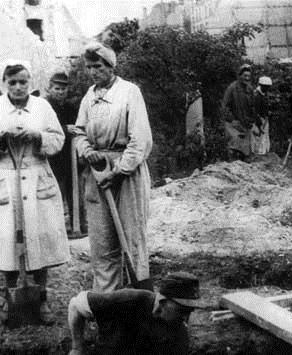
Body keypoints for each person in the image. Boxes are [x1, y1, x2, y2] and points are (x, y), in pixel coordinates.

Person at [74, 43, 153, 292]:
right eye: (89, 67)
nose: (93, 72)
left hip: (126, 173)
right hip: (97, 174)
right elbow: (79, 132)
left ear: (110, 66)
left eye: (98, 66)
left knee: (132, 239)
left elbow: (140, 139)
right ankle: (108, 304)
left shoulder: (129, 92)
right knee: (102, 242)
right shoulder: (90, 96)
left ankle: (139, 300)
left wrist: (119, 171)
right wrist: (87, 151)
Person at [0, 60, 69, 323]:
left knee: (37, 239)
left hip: (37, 176)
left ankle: (41, 300)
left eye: (23, 82)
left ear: (31, 82)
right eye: (12, 82)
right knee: (6, 242)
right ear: (5, 83)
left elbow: (58, 139)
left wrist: (37, 137)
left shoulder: (42, 106)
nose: (18, 87)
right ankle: (8, 298)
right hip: (5, 178)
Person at [68, 272, 207, 355]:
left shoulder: (178, 334)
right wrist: (77, 348)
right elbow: (75, 305)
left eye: (190, 311)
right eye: (182, 310)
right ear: (163, 302)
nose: (185, 317)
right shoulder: (127, 300)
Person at [46, 72, 81, 236]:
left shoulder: (69, 107)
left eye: (63, 89)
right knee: (55, 192)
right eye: (57, 88)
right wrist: (65, 129)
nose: (60, 92)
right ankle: (56, 228)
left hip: (70, 156)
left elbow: (78, 124)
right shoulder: (45, 106)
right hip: (52, 158)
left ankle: (77, 224)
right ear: (50, 88)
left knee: (74, 190)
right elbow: (47, 128)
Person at [222, 64, 255, 161]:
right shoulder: (232, 88)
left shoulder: (250, 89)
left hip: (245, 125)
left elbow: (253, 107)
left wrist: (252, 120)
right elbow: (224, 107)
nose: (247, 78)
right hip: (233, 126)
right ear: (239, 76)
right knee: (234, 152)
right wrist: (232, 120)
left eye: (249, 76)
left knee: (246, 156)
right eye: (245, 76)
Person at [251, 76, 272, 155]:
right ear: (261, 85)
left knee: (263, 137)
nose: (267, 89)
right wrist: (259, 123)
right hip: (258, 119)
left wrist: (267, 112)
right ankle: (258, 154)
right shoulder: (256, 95)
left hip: (264, 118)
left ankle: (262, 152)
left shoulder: (264, 94)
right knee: (258, 136)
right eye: (266, 87)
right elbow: (255, 111)